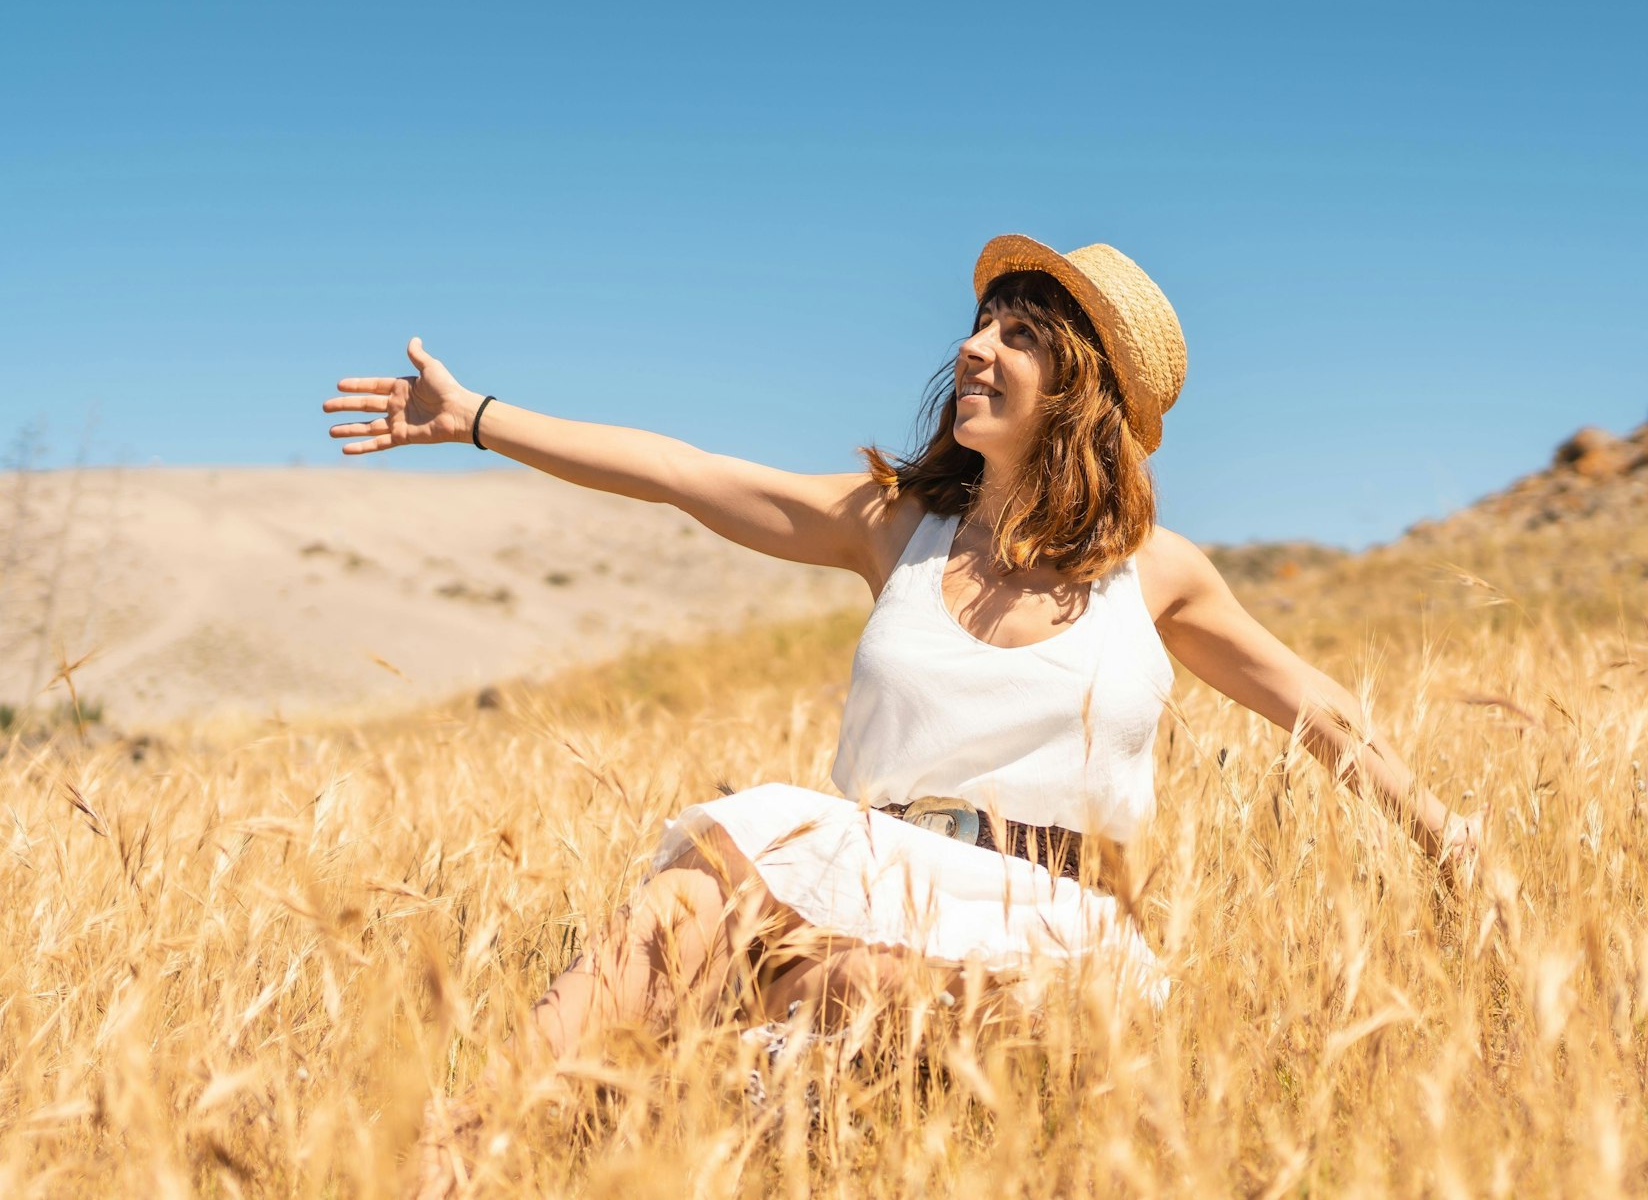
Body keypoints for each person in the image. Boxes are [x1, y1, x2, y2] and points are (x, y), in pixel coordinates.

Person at [323, 234, 1483, 1193]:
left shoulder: (1157, 571)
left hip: (1050, 915)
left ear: (1080, 385)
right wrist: (477, 416)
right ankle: (449, 1154)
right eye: (980, 326)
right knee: (695, 888)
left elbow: (1319, 709)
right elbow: (680, 470)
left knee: (859, 997)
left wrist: (1445, 835)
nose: (975, 347)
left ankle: (702, 1094)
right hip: (864, 870)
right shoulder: (895, 524)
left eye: (1019, 334)